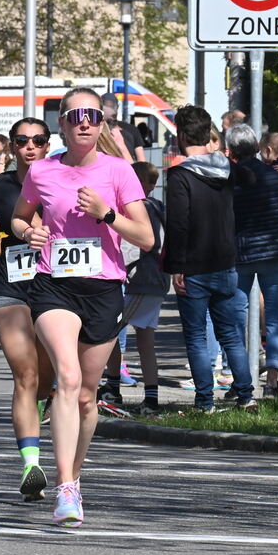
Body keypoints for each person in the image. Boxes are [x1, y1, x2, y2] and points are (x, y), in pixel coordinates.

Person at [11, 87, 153, 527]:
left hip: (104, 290)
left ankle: (75, 473)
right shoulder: (41, 171)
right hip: (55, 286)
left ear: (102, 123)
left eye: (92, 115)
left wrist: (107, 214)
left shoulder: (118, 171)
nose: (84, 122)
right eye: (75, 116)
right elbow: (19, 216)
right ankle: (64, 487)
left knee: (88, 396)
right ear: (62, 124)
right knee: (67, 379)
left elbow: (147, 238)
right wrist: (26, 232)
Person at [0, 118, 56, 500]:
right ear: (10, 146)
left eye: (37, 140)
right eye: (21, 140)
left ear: (48, 144)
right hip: (11, 287)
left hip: (57, 289)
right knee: (24, 374)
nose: (29, 146)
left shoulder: (64, 178)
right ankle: (31, 465)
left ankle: (45, 404)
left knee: (45, 379)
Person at [163, 105, 255, 414]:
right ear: (209, 134)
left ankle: (205, 401)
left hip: (193, 267)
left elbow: (177, 223)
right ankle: (246, 395)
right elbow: (251, 178)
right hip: (226, 263)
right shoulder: (228, 169)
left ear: (181, 136)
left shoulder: (180, 175)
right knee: (230, 333)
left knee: (197, 337)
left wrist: (176, 268)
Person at [226, 124, 278, 399]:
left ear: (232, 151)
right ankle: (272, 383)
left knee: (235, 316)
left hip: (242, 253)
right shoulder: (276, 175)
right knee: (276, 317)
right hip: (275, 251)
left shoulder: (229, 177)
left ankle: (241, 383)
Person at [119, 161, 168, 414]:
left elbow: (133, 248)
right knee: (144, 341)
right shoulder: (158, 207)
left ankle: (110, 388)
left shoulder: (144, 210)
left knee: (107, 332)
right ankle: (151, 397)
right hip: (154, 281)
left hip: (142, 282)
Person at [101, 92, 145, 162]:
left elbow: (142, 161)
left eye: (111, 106)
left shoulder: (131, 130)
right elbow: (142, 162)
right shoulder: (98, 130)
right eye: (107, 107)